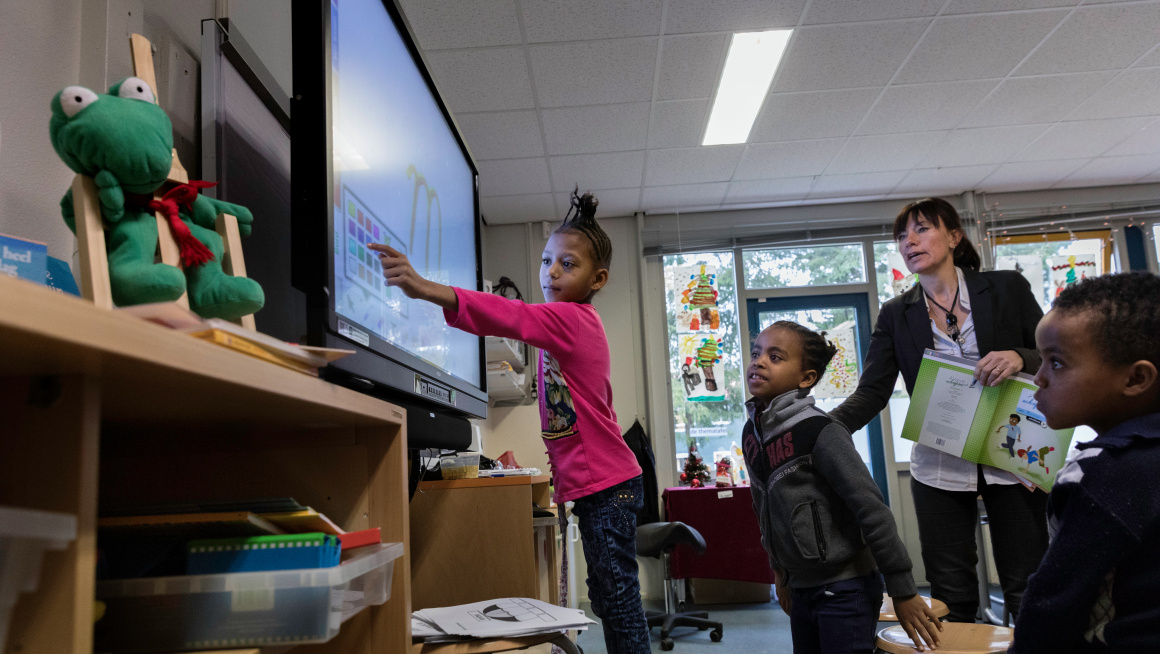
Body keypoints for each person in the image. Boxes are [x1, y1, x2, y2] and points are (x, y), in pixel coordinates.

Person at [370, 190, 650, 653]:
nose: (551, 272)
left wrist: (424, 287)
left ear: (598, 279)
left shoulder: (572, 320)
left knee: (618, 603)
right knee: (608, 596)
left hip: (607, 488)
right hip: (600, 486)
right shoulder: (565, 324)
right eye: (546, 261)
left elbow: (510, 315)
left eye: (568, 264)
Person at [830, 197, 1048, 623]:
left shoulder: (1006, 288)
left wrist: (1021, 356)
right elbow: (872, 393)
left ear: (954, 236)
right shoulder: (897, 314)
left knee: (1028, 582)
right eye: (901, 236)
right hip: (940, 462)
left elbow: (1053, 354)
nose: (909, 241)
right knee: (952, 592)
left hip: (1014, 453)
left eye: (922, 229)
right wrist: (821, 428)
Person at [743, 321, 943, 654]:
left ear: (806, 378)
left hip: (846, 587)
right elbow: (763, 508)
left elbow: (871, 509)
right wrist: (780, 572)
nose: (759, 361)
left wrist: (903, 590)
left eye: (775, 357)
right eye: (756, 352)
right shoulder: (753, 435)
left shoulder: (821, 430)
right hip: (801, 588)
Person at [1010, 272, 1160, 653]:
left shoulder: (1101, 472)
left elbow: (1051, 608)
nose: (1038, 379)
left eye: (1056, 363)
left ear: (1136, 378)